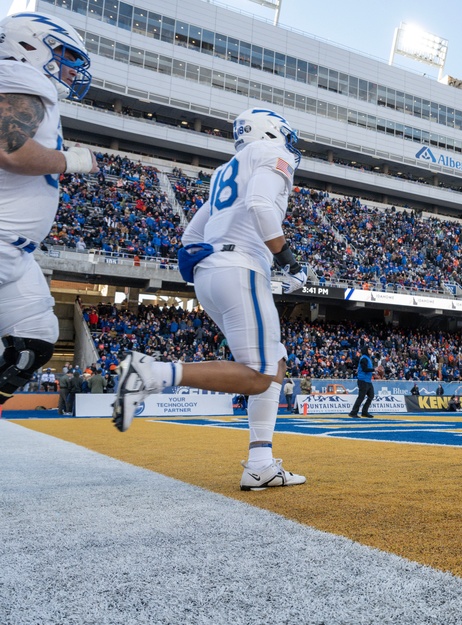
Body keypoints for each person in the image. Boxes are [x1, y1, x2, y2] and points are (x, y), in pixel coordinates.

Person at [112, 107, 307, 492]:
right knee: (260, 375)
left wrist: (213, 265)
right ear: (273, 133)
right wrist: (290, 262)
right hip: (241, 265)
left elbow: (190, 237)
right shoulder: (272, 155)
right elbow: (260, 205)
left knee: (275, 361)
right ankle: (153, 373)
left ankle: (260, 464)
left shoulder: (225, 171)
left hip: (213, 271)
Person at [0, 13, 97, 409]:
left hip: (14, 253)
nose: (73, 71)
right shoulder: (22, 77)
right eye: (67, 56)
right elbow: (9, 147)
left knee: (34, 339)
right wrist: (69, 160)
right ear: (30, 45)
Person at [349, 346, 376, 418]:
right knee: (361, 397)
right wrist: (374, 370)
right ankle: (353, 412)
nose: (371, 350)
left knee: (371, 395)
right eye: (369, 349)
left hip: (367, 380)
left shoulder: (367, 358)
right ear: (366, 350)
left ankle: (364, 411)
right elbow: (364, 369)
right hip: (363, 380)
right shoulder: (364, 358)